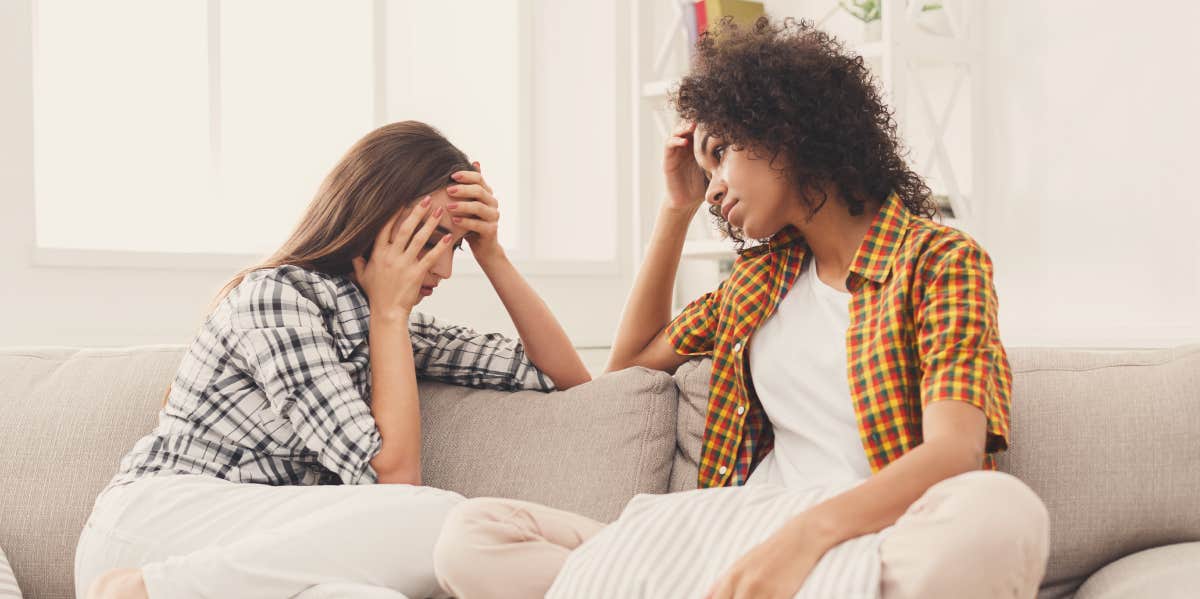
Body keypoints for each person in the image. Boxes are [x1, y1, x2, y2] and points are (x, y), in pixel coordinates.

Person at [433, 19, 1049, 599]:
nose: (714, 188)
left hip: (873, 536)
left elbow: (955, 454)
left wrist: (804, 539)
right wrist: (675, 210)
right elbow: (624, 375)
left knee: (999, 514)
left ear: (786, 130)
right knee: (475, 537)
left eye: (721, 154)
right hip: (741, 531)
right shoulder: (759, 282)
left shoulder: (938, 259)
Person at [76, 121, 591, 599]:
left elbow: (564, 377)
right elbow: (395, 485)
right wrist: (388, 313)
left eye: (455, 247)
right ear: (371, 218)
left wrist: (492, 254)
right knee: (437, 517)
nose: (444, 268)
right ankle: (149, 590)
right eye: (432, 238)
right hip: (157, 524)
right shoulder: (275, 298)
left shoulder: (392, 329)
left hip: (274, 549)